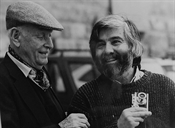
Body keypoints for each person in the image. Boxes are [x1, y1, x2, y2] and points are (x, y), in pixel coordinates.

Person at [67, 14, 175, 128]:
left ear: (134, 48)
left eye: (116, 42)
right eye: (101, 44)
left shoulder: (165, 87)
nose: (107, 50)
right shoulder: (84, 97)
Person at [0, 1, 90, 128]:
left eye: (50, 36)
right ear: (16, 36)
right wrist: (62, 126)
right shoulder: (3, 81)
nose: (50, 45)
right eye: (41, 36)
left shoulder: (40, 73)